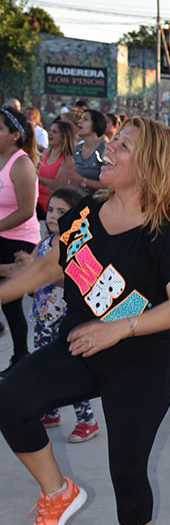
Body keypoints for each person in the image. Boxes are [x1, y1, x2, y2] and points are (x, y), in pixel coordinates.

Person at [0, 116, 170, 525]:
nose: (109, 149)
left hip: (142, 364)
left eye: (122, 146)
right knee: (9, 396)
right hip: (85, 345)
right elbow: (50, 267)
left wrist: (119, 326)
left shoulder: (168, 230)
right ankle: (57, 491)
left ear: (149, 164)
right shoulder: (87, 212)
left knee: (127, 470)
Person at [7, 187, 101, 442]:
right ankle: (51, 411)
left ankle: (87, 420)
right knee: (43, 362)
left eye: (62, 212)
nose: (52, 216)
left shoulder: (76, 246)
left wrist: (37, 270)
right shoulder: (45, 243)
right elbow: (27, 274)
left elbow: (69, 281)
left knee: (69, 370)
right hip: (44, 318)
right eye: (50, 210)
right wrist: (24, 268)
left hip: (67, 319)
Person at [0, 105, 40, 374]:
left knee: (11, 302)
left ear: (15, 134)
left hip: (19, 241)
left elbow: (26, 210)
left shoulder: (22, 164)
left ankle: (21, 356)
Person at [36, 119, 76, 220]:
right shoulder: (46, 152)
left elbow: (58, 184)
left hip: (51, 208)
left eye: (55, 132)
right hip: (37, 202)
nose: (50, 134)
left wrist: (36, 177)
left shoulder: (67, 159)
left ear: (64, 137)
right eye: (50, 130)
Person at [66, 109, 107, 193]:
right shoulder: (77, 149)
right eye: (80, 118)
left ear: (96, 124)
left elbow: (110, 186)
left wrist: (83, 181)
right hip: (77, 200)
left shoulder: (105, 149)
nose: (79, 122)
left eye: (85, 119)